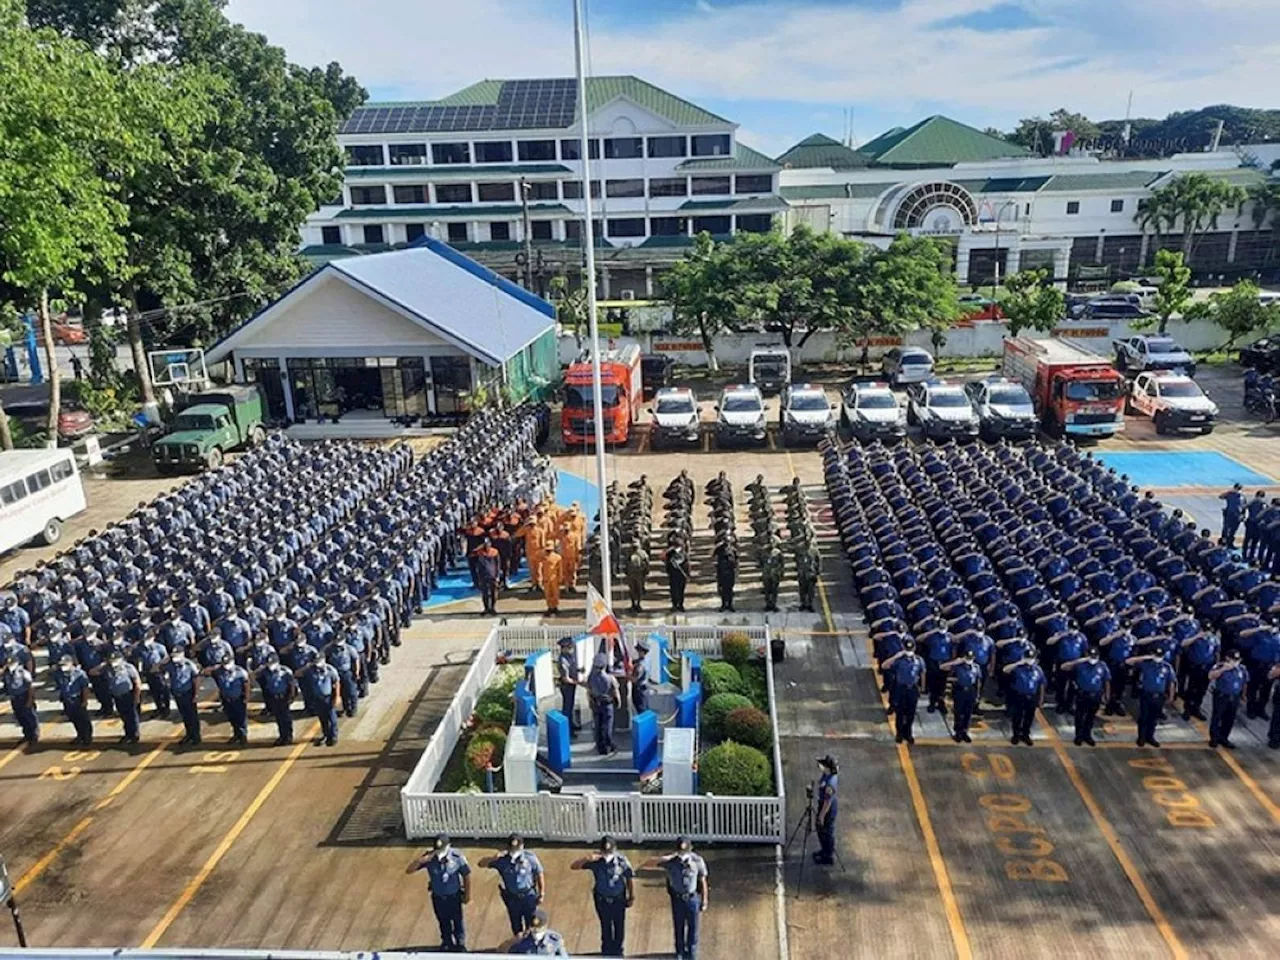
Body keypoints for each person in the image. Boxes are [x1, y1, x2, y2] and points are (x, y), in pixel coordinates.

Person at [406, 835, 471, 953]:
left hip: (454, 896)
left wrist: (467, 895)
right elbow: (409, 870)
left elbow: (466, 875)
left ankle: (460, 943)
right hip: (438, 897)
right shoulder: (429, 858)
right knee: (443, 920)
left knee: (458, 920)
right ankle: (447, 942)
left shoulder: (457, 857)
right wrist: (420, 860)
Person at [572, 836, 634, 957]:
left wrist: (631, 896)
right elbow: (574, 866)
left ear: (615, 849)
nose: (607, 855)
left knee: (619, 925)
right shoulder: (595, 861)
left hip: (618, 899)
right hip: (602, 899)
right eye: (605, 852)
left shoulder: (621, 861)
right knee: (605, 925)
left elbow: (629, 878)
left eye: (609, 852)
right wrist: (586, 858)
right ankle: (606, 951)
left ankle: (618, 950)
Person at [481, 834, 545, 937]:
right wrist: (493, 858)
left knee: (532, 924)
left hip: (528, 896)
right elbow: (481, 864)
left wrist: (541, 893)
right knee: (516, 926)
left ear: (522, 846)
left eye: (517, 848)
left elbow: (539, 873)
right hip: (512, 898)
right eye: (512, 848)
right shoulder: (502, 860)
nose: (514, 851)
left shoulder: (530, 858)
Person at [655, 837, 708, 960]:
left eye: (685, 851)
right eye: (680, 851)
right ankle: (679, 951)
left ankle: (691, 952)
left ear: (690, 849)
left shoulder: (697, 861)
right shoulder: (671, 862)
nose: (682, 854)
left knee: (693, 927)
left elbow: (703, 881)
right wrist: (669, 856)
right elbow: (654, 863)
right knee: (678, 926)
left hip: (692, 898)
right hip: (677, 898)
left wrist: (704, 900)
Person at [1059, 649, 1111, 746]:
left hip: (1096, 695)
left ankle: (1087, 735)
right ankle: (1078, 736)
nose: (1093, 658)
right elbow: (1063, 667)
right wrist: (1079, 660)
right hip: (1082, 694)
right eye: (1091, 656)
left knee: (1090, 717)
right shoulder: (1080, 665)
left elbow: (1106, 680)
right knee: (1079, 716)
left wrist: (1107, 694)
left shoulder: (1102, 665)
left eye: (1095, 656)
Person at [1128, 652, 1176, 748]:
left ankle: (1150, 737)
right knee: (1144, 717)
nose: (1158, 658)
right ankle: (1141, 737)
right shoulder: (1146, 664)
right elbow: (1129, 661)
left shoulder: (1167, 667)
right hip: (1146, 694)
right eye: (1156, 655)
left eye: (1160, 656)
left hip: (1159, 696)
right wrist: (1147, 656)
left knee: (1153, 718)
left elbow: (1171, 682)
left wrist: (1171, 696)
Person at [882, 640, 925, 745]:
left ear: (914, 649)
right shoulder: (899, 660)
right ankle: (899, 734)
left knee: (910, 713)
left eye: (910, 649)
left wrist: (922, 687)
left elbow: (923, 673)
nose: (909, 651)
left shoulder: (919, 660)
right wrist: (896, 656)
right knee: (900, 713)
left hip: (912, 688)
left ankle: (908, 733)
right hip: (901, 688)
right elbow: (884, 666)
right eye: (907, 649)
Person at [1003, 654, 1047, 746]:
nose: (1029, 660)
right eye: (1027, 658)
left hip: (1032, 696)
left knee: (1029, 717)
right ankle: (1016, 735)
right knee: (1017, 717)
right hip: (1019, 696)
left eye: (1031, 658)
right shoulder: (1018, 668)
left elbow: (1041, 685)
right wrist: (1019, 663)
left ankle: (1025, 735)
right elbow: (1005, 670)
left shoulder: (1038, 670)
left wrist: (1041, 699)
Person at [1208, 650, 1248, 749]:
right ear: (1227, 658)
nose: (1235, 662)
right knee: (1217, 717)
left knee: (1230, 718)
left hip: (1234, 697)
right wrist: (1223, 669)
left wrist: (1243, 695)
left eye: (1237, 660)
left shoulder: (1242, 669)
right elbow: (1211, 676)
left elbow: (1244, 683)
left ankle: (1224, 737)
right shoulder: (1220, 666)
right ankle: (1214, 738)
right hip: (1222, 696)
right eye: (1233, 659)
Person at [942, 649, 983, 743]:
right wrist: (956, 662)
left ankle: (965, 732)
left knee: (968, 714)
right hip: (960, 691)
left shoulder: (976, 667)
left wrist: (977, 695)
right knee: (958, 713)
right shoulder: (958, 667)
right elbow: (943, 667)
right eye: (967, 658)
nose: (969, 660)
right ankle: (958, 732)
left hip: (970, 691)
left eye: (971, 658)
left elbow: (978, 682)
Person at [210, 650, 251, 745]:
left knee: (241, 718)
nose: (225, 665)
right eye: (224, 663)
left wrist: (247, 697)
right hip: (226, 699)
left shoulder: (240, 672)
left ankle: (243, 736)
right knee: (232, 718)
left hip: (238, 699)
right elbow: (205, 672)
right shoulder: (218, 671)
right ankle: (236, 734)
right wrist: (215, 667)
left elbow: (247, 684)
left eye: (227, 663)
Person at [257, 651, 297, 745]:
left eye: (271, 663)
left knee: (286, 718)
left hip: (283, 697)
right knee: (278, 718)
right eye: (268, 663)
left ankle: (288, 736)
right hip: (273, 698)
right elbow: (252, 676)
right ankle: (282, 736)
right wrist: (260, 668)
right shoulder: (265, 671)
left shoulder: (285, 671)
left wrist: (291, 697)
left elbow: (291, 685)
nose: (270, 665)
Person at [166, 646, 203, 745]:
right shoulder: (171, 665)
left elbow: (196, 679)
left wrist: (196, 694)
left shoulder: (189, 665)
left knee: (192, 716)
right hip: (177, 694)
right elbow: (155, 669)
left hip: (188, 693)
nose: (174, 658)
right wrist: (164, 660)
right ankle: (189, 734)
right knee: (185, 716)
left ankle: (196, 737)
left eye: (176, 655)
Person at [54, 654, 94, 745]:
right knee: (74, 719)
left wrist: (85, 701)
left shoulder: (79, 673)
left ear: (71, 663)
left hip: (77, 698)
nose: (62, 667)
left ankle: (87, 737)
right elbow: (60, 685)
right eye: (61, 665)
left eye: (65, 664)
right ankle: (80, 735)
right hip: (67, 700)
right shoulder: (58, 673)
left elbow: (85, 688)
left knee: (83, 719)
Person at [587, 653, 621, 755]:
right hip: (607, 704)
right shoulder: (610, 678)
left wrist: (590, 702)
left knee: (597, 725)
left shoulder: (590, 677)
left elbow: (589, 691)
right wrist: (618, 702)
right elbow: (615, 692)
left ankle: (599, 745)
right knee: (607, 725)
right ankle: (608, 745)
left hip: (595, 703)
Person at [307, 649, 341, 747]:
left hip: (328, 697)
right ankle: (326, 734)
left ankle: (333, 736)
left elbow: (336, 683)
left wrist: (337, 697)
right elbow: (298, 674)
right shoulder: (311, 670)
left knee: (331, 718)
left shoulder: (330, 670)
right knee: (322, 718)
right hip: (317, 697)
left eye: (319, 661)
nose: (317, 663)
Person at [3, 652, 38, 745]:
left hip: (24, 696)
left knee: (29, 716)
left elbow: (30, 686)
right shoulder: (7, 673)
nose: (10, 665)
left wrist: (30, 699)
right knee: (20, 717)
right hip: (14, 698)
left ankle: (34, 735)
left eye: (12, 663)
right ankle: (27, 735)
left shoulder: (23, 672)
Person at [814, 754, 839, 866]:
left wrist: (821, 816)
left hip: (827, 808)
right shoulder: (827, 774)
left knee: (827, 831)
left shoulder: (830, 783)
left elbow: (827, 802)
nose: (821, 766)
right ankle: (824, 850)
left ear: (828, 768)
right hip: (823, 804)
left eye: (823, 765)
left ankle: (828, 856)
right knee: (820, 829)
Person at [556, 636, 582, 736]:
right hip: (567, 686)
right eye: (569, 646)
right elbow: (565, 678)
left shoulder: (569, 656)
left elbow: (573, 667)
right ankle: (568, 730)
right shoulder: (562, 660)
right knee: (567, 708)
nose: (571, 648)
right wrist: (577, 682)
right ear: (564, 647)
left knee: (570, 707)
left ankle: (572, 724)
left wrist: (579, 670)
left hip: (572, 684)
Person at [1220, 483, 1245, 549]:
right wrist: (1229, 492)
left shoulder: (1242, 497)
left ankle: (1230, 543)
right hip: (1229, 514)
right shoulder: (1230, 495)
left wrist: (1243, 515)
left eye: (1239, 489)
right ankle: (1222, 543)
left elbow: (1244, 507)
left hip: (1237, 516)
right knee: (1226, 530)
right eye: (1237, 489)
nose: (1238, 490)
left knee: (1233, 531)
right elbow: (1221, 496)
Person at [541, 545, 563, 616]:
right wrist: (542, 578)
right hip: (546, 578)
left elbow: (560, 569)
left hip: (554, 578)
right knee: (547, 594)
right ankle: (550, 607)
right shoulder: (543, 557)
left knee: (555, 593)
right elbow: (541, 568)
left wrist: (560, 578)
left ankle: (555, 607)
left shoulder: (558, 557)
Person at [631, 639, 651, 715]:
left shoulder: (640, 665)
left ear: (642, 652)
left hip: (639, 690)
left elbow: (634, 679)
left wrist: (626, 676)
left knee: (642, 711)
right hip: (643, 689)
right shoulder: (645, 661)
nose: (637, 652)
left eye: (638, 651)